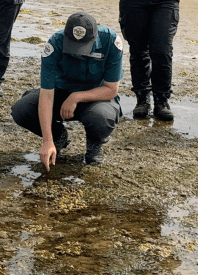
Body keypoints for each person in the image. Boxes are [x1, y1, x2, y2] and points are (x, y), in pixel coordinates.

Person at [11, 12, 124, 168]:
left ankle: (94, 144)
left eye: (83, 47)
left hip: (96, 98)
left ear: (94, 38)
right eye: (73, 46)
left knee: (101, 118)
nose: (77, 52)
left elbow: (111, 90)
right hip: (61, 92)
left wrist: (75, 97)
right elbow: (47, 95)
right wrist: (47, 141)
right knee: (21, 110)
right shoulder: (55, 43)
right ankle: (59, 136)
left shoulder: (111, 41)